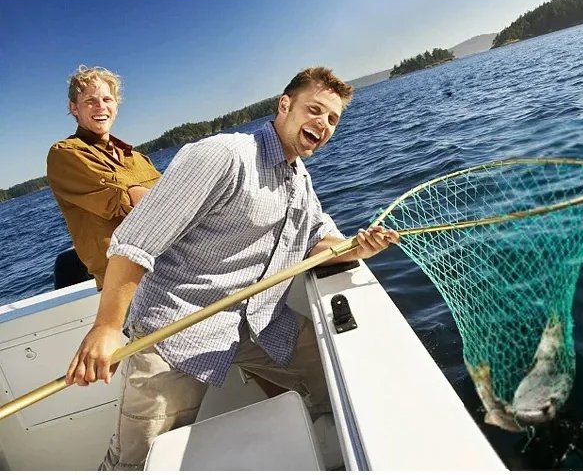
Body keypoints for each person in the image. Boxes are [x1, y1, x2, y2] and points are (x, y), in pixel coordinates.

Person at [65, 67, 400, 470]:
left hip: (257, 324)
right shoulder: (223, 155)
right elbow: (135, 242)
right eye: (314, 110)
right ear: (284, 105)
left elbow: (317, 241)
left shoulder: (300, 180)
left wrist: (357, 247)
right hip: (175, 331)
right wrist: (106, 328)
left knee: (343, 379)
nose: (324, 124)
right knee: (136, 462)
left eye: (332, 119)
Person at [47, 66, 161, 290]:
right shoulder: (66, 154)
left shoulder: (138, 158)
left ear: (116, 105)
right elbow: (126, 198)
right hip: (128, 283)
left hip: (172, 264)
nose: (101, 106)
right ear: (74, 107)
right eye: (90, 101)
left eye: (107, 99)